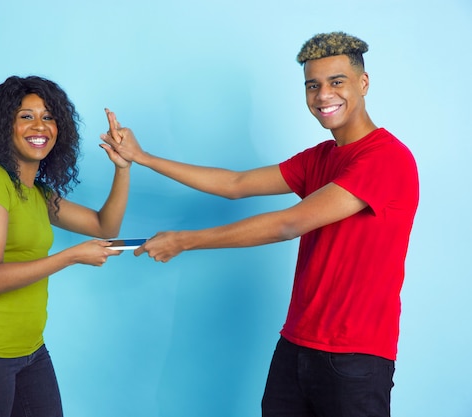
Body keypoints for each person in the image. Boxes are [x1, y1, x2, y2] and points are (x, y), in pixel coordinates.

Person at [100, 32, 419, 416]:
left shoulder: (387, 159)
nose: (323, 96)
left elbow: (289, 223)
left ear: (363, 83)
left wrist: (185, 240)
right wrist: (143, 156)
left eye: (337, 82)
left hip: (354, 358)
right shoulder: (320, 157)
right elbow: (236, 184)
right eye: (312, 85)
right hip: (296, 346)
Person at [0, 75, 130, 417]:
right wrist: (70, 256)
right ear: (4, 125)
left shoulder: (38, 194)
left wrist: (123, 168)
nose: (39, 125)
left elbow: (105, 226)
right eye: (26, 116)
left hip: (30, 351)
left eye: (48, 116)